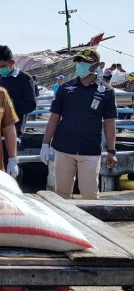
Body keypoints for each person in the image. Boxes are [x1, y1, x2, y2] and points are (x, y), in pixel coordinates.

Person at [40, 49, 118, 200]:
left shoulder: (107, 91)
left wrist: (111, 151)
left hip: (90, 150)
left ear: (95, 66)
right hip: (63, 148)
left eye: (84, 63)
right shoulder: (65, 88)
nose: (80, 65)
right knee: (62, 194)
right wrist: (45, 144)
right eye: (79, 62)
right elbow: (54, 117)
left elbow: (109, 123)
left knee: (90, 194)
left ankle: (92, 223)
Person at [0, 45, 36, 144]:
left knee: (10, 159)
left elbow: (30, 105)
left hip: (14, 132)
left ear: (12, 62)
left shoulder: (25, 79)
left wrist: (10, 103)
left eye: (2, 66)